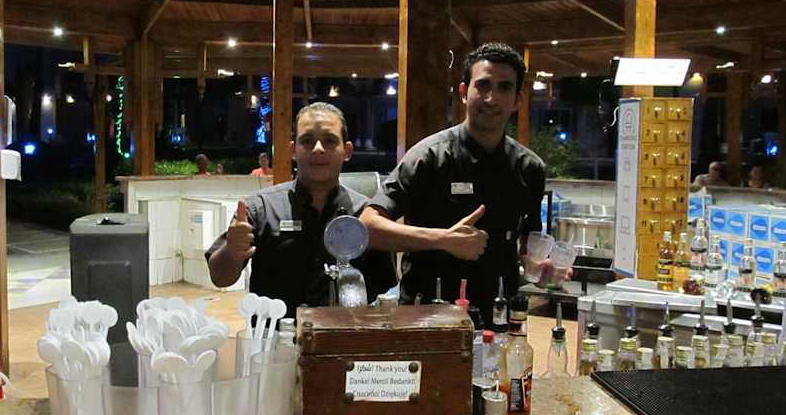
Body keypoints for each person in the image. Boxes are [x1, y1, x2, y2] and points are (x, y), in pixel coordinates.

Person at [359, 42, 568, 327]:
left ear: (518, 99)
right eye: (483, 85)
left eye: (505, 87)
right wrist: (443, 239)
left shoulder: (530, 168)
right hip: (427, 319)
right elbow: (367, 227)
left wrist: (537, 267)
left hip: (500, 320)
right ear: (463, 92)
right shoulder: (429, 157)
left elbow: (526, 248)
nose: (492, 98)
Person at [206, 102, 396, 316]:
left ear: (347, 151)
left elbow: (385, 291)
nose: (318, 149)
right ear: (293, 150)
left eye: (330, 141)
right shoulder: (260, 208)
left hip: (345, 334)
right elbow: (220, 278)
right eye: (307, 141)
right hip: (275, 335)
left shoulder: (367, 215)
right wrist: (232, 251)